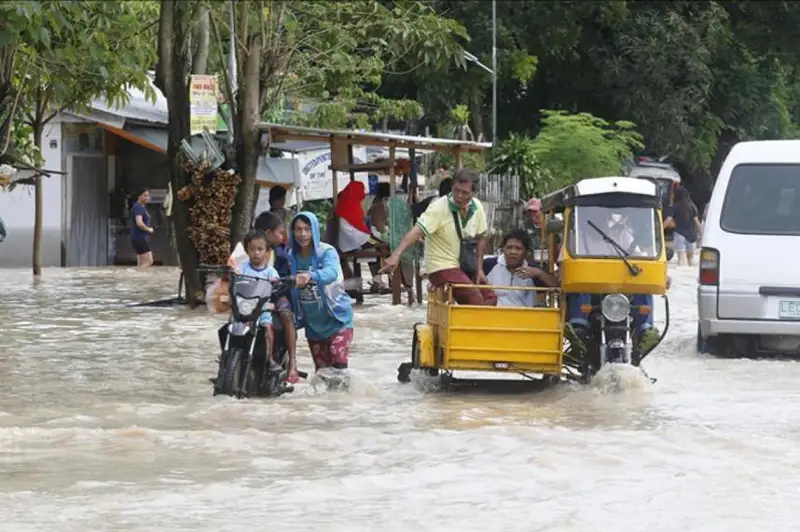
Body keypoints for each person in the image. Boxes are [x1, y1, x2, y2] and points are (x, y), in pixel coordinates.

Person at [380, 168, 496, 306]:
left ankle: (473, 325)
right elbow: (417, 231)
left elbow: (482, 237)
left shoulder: (477, 207)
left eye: (464, 193)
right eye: (456, 190)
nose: (459, 196)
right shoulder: (438, 207)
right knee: (474, 297)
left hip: (465, 265)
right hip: (441, 266)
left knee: (490, 297)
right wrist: (396, 254)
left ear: (473, 193)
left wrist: (479, 269)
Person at [563, 208, 661, 355]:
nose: (599, 217)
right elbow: (563, 267)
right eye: (593, 213)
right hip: (591, 292)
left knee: (643, 284)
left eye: (603, 214)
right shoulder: (575, 239)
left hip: (619, 291)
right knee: (580, 283)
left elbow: (641, 260)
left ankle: (644, 329)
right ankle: (579, 327)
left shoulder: (621, 235)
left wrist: (662, 276)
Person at [288, 212, 355, 372]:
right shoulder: (290, 256)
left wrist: (310, 275)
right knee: (322, 373)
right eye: (298, 229)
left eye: (307, 229)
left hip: (337, 319)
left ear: (315, 231)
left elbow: (331, 273)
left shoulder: (326, 252)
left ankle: (344, 397)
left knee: (338, 364)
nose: (302, 234)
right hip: (313, 326)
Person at [252, 211, 300, 383]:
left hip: (276, 296)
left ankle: (293, 363)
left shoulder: (281, 254)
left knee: (286, 315)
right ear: (267, 233)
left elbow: (288, 275)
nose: (282, 236)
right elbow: (235, 265)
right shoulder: (246, 251)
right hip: (251, 296)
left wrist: (286, 280)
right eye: (280, 232)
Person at [238, 229, 283, 374]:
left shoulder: (270, 271)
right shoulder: (242, 268)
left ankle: (269, 359)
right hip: (244, 307)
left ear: (267, 251)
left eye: (260, 249)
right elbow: (235, 279)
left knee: (268, 328)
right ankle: (228, 355)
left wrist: (275, 281)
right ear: (247, 251)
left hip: (262, 308)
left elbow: (277, 283)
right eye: (252, 249)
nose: (256, 253)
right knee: (231, 325)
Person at [483, 229, 559, 307]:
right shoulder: (489, 264)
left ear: (526, 253)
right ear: (503, 249)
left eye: (518, 248)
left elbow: (557, 284)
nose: (513, 252)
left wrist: (539, 274)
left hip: (524, 317)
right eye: (509, 247)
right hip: (493, 316)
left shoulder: (532, 270)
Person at [664, 186, 702, 266]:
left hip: (679, 234)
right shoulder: (692, 206)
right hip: (692, 236)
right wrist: (701, 233)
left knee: (681, 258)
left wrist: (659, 229)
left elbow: (668, 220)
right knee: (691, 259)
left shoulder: (674, 206)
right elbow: (697, 221)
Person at [334, 181, 372, 252]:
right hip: (353, 239)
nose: (363, 192)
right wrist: (368, 235)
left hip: (345, 240)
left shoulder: (346, 200)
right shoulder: (352, 203)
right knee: (376, 244)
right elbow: (358, 225)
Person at [130, 188, 154, 269]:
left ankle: (138, 278)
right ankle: (135, 275)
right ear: (139, 196)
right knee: (149, 262)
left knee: (141, 264)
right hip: (139, 238)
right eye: (145, 196)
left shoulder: (139, 207)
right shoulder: (138, 207)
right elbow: (139, 222)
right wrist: (148, 229)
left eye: (148, 196)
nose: (147, 198)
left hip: (137, 238)